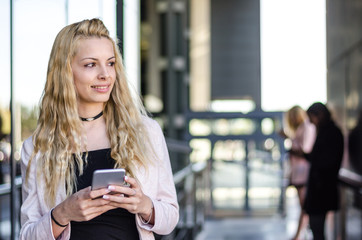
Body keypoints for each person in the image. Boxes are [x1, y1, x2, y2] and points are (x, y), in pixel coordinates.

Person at [19, 18, 179, 240]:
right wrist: (63, 213)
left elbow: (170, 217)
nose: (105, 74)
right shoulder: (37, 148)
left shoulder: (147, 132)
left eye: (111, 63)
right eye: (91, 64)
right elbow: (27, 235)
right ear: (65, 71)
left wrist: (144, 205)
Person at [290, 102, 344, 240]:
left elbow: (323, 161)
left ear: (319, 115)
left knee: (317, 229)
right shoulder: (328, 132)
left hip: (322, 189)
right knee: (316, 228)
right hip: (321, 188)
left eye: (312, 118)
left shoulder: (330, 133)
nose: (312, 123)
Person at [282, 106, 316, 240]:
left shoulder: (307, 127)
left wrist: (290, 142)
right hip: (298, 173)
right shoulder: (300, 129)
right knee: (302, 205)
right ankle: (302, 233)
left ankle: (299, 234)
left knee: (305, 206)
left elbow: (305, 151)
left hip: (304, 173)